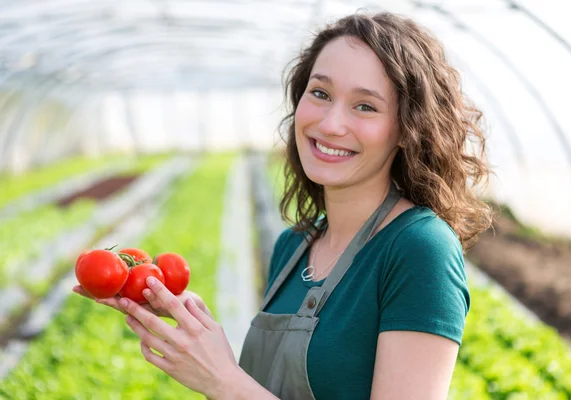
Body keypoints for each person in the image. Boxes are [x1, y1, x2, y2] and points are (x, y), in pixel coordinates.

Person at [73, 11, 493, 400]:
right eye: (320, 92)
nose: (330, 123)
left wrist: (225, 382)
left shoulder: (419, 249)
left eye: (365, 106)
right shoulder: (293, 248)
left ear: (407, 129)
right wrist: (196, 335)